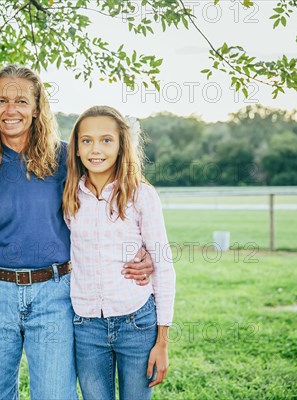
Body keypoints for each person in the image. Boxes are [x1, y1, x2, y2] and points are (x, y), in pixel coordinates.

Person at [0, 65, 154, 399]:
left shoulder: (67, 158)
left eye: (21, 101)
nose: (11, 110)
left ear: (37, 108)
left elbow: (113, 202)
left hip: (55, 296)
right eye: (1, 100)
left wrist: (143, 251)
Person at [62, 105, 176, 400]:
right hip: (87, 327)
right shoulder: (68, 196)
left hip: (136, 323)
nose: (95, 149)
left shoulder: (141, 195)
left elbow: (163, 266)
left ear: (121, 145)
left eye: (106, 140)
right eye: (86, 140)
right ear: (75, 148)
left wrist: (162, 342)